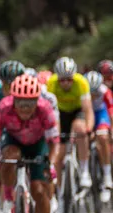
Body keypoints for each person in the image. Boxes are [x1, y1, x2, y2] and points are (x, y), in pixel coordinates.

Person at [0, 74, 61, 213]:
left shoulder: (45, 109)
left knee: (39, 191)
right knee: (8, 157)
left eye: (29, 103)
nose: (25, 108)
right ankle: (8, 199)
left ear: (37, 101)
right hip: (13, 141)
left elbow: (54, 142)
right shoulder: (3, 109)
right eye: (21, 102)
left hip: (38, 144)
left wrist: (52, 164)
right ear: (12, 99)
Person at [47, 57, 95, 190]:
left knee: (80, 129)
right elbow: (49, 111)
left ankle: (85, 170)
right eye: (62, 79)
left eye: (69, 79)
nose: (66, 83)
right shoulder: (51, 83)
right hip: (60, 113)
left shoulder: (81, 82)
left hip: (77, 110)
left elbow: (88, 109)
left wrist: (89, 129)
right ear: (58, 78)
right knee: (58, 155)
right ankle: (60, 193)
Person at [84, 70, 112, 199]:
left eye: (95, 93)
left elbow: (111, 111)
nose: (93, 96)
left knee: (102, 136)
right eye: (91, 93)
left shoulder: (105, 91)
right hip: (86, 113)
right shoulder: (82, 90)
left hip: (101, 114)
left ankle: (107, 175)